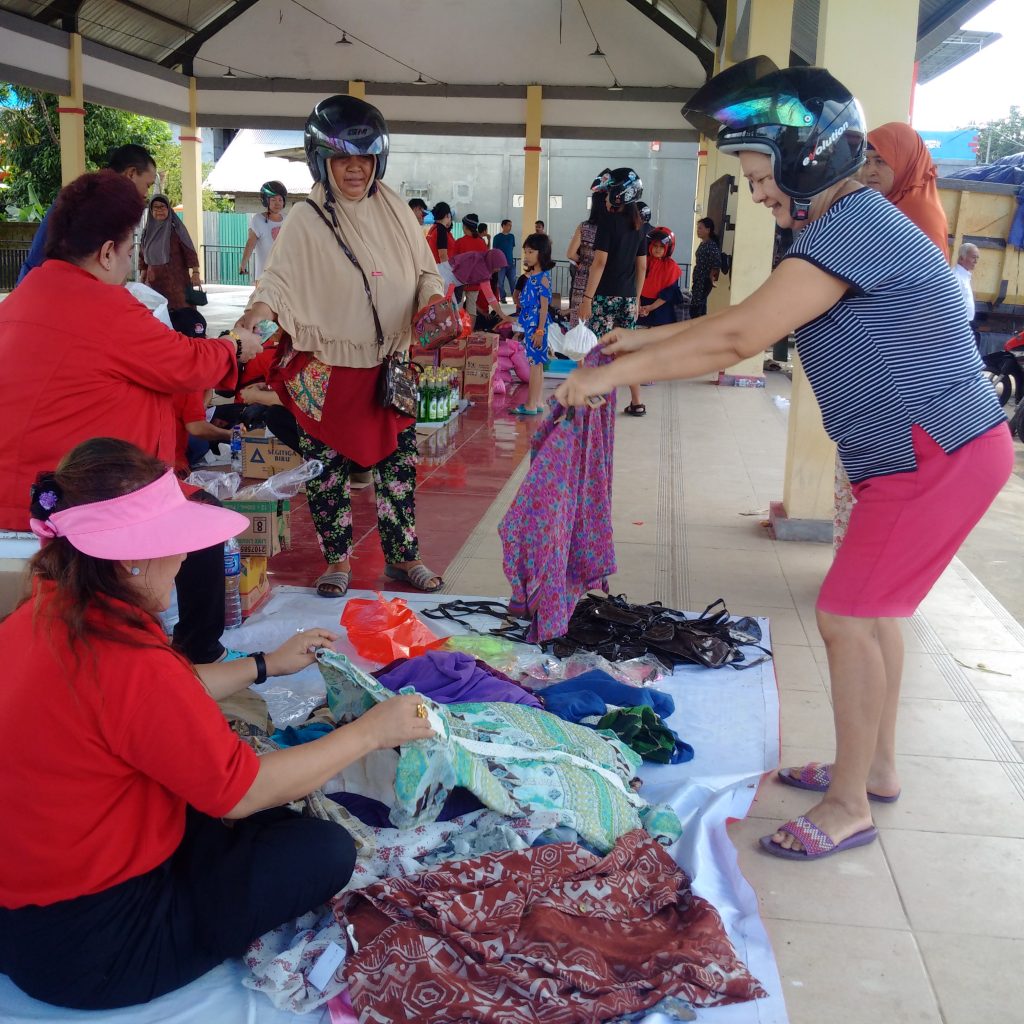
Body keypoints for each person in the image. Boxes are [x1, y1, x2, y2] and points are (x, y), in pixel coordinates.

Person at [556, 57, 1012, 862]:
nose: (759, 193)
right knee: (877, 616)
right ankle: (874, 769)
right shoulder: (844, 224)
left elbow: (739, 339)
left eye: (761, 175)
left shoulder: (855, 228)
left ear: (808, 159)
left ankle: (847, 807)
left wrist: (615, 375)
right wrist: (642, 340)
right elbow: (746, 318)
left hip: (929, 454)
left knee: (847, 616)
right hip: (931, 451)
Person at [0, 437, 435, 1011]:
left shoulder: (44, 616)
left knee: (270, 810)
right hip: (97, 952)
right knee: (320, 849)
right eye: (175, 546)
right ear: (130, 556)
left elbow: (158, 698)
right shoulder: (125, 656)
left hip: (29, 921)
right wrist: (370, 733)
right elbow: (242, 790)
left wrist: (266, 665)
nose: (183, 560)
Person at [0, 169, 263, 664]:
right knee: (202, 520)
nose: (127, 265)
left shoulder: (21, 299)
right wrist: (234, 346)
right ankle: (198, 655)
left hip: (26, 490)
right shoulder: (104, 306)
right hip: (73, 499)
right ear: (105, 252)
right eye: (127, 251)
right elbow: (188, 363)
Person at [235, 95, 445, 598]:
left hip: (392, 364)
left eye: (365, 158)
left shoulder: (395, 208)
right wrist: (250, 324)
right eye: (344, 159)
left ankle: (404, 556)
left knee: (398, 465)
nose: (356, 169)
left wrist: (433, 301)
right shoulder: (306, 218)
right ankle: (338, 560)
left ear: (379, 160)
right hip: (325, 367)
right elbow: (277, 285)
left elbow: (424, 272)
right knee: (326, 469)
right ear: (322, 161)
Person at [16, 143, 157, 286]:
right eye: (148, 185)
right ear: (131, 173)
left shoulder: (92, 197)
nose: (146, 194)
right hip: (50, 290)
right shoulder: (91, 203)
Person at [578, 167, 647, 416]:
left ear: (618, 195)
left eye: (607, 194)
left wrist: (587, 298)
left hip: (605, 297)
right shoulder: (640, 225)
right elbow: (642, 266)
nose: (605, 199)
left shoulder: (608, 223)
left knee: (599, 349)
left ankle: (597, 399)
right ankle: (637, 401)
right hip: (628, 298)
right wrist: (636, 298)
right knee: (626, 350)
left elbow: (599, 263)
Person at [860, 122, 949, 254]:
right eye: (866, 162)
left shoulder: (921, 219)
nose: (870, 171)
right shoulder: (881, 205)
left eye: (880, 161)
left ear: (905, 163)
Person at [511, 232, 555, 416]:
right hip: (531, 326)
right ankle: (536, 402)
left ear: (541, 253)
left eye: (530, 252)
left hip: (537, 327)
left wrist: (539, 331)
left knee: (535, 366)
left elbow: (544, 308)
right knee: (536, 365)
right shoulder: (532, 277)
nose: (526, 255)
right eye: (525, 251)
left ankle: (530, 404)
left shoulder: (542, 278)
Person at [139, 194, 202, 311]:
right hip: (153, 283)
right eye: (156, 207)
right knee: (157, 315)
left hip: (177, 283)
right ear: (151, 211)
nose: (159, 210)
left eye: (163, 207)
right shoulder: (147, 232)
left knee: (181, 316)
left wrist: (196, 272)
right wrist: (142, 275)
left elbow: (189, 249)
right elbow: (143, 255)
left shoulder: (176, 229)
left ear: (168, 209)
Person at [566, 188, 609, 328]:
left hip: (583, 277)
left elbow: (570, 254)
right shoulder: (611, 228)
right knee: (600, 320)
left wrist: (584, 262)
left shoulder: (584, 226)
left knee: (579, 318)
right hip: (604, 277)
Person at [239, 180, 288, 282]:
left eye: (280, 199)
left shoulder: (288, 219)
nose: (277, 203)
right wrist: (243, 263)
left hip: (284, 277)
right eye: (273, 200)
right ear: (266, 200)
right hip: (264, 277)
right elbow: (250, 243)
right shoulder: (258, 219)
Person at [638, 227, 686, 328]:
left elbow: (668, 293)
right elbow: (635, 285)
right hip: (640, 309)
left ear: (668, 248)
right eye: (655, 245)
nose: (658, 249)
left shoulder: (671, 267)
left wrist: (650, 308)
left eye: (662, 246)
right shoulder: (643, 261)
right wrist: (638, 305)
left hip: (662, 312)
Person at [690, 217, 722, 319]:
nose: (698, 231)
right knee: (696, 305)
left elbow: (716, 263)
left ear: (708, 230)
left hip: (704, 280)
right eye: (697, 228)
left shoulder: (711, 245)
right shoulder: (703, 243)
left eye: (700, 228)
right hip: (698, 280)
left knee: (698, 307)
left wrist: (712, 278)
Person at [953, 242, 979, 327]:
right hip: (959, 323)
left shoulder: (965, 275)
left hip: (966, 321)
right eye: (973, 257)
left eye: (977, 258)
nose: (976, 261)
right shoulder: (956, 276)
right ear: (961, 258)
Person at [493, 218, 517, 300]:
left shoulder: (511, 236)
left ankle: (515, 298)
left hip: (510, 263)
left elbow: (511, 248)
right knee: (500, 283)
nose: (510, 227)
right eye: (508, 225)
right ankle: (503, 298)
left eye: (511, 225)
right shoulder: (497, 237)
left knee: (513, 282)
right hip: (500, 265)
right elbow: (495, 251)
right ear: (503, 226)